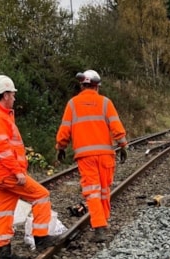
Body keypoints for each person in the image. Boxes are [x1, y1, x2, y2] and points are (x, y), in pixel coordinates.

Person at [0, 75, 58, 259]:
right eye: (13, 94)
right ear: (5, 95)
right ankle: (41, 237)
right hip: (7, 172)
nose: (15, 98)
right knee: (42, 196)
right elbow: (4, 150)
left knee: (5, 212)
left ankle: (4, 254)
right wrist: (18, 172)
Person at [55, 70, 128, 243]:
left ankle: (99, 227)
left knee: (93, 193)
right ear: (97, 86)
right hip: (105, 155)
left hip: (85, 156)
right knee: (104, 190)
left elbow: (65, 129)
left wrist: (61, 147)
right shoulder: (105, 103)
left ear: (82, 85)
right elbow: (116, 126)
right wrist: (123, 145)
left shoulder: (72, 104)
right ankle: (103, 222)